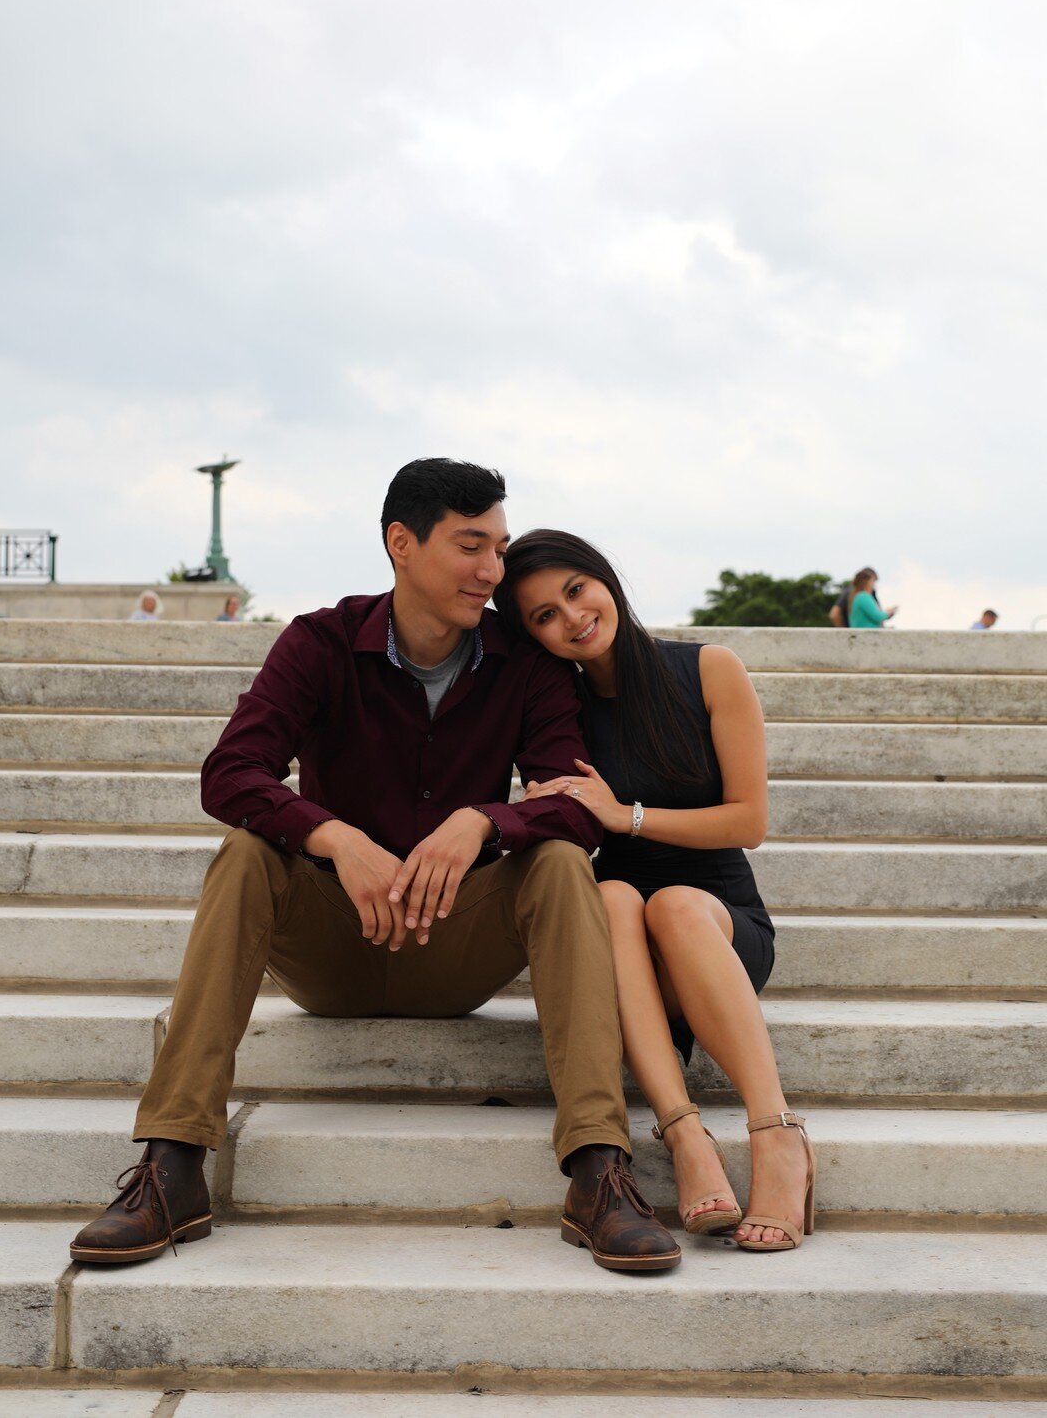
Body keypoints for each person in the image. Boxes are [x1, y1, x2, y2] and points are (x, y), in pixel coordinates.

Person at [69, 460, 678, 1274]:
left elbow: (575, 801)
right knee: (248, 852)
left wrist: (483, 820)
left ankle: (598, 1171)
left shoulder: (526, 664)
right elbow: (231, 774)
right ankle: (174, 1165)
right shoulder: (319, 642)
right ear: (402, 543)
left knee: (564, 860)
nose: (493, 570)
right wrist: (333, 838)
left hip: (458, 947)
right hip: (335, 946)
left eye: (499, 547)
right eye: (471, 546)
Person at [495, 531, 815, 1254]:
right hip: (626, 951)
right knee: (613, 897)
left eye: (576, 590)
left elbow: (750, 820)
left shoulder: (707, 669)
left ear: (603, 579)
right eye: (544, 615)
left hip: (720, 930)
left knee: (670, 903)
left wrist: (624, 816)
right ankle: (683, 1130)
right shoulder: (558, 715)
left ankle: (778, 1135)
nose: (572, 617)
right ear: (533, 637)